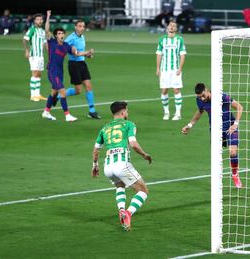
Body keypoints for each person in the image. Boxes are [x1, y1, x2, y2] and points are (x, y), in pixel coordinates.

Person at [91, 101, 152, 231]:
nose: (128, 113)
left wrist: (95, 165)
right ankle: (128, 213)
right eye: (127, 111)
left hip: (108, 167)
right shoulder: (129, 124)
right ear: (123, 112)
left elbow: (96, 150)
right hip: (121, 165)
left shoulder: (104, 128)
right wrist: (144, 155)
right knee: (143, 191)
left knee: (120, 186)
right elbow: (134, 144)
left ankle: (121, 211)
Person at [181, 83, 243, 188]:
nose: (202, 98)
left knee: (232, 152)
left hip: (230, 126)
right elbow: (200, 112)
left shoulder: (222, 96)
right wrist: (190, 125)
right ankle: (219, 180)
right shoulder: (199, 100)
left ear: (207, 90)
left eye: (203, 95)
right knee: (217, 157)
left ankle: (235, 174)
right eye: (199, 97)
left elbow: (239, 107)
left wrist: (235, 124)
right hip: (215, 129)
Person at [42, 10, 94, 122]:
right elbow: (46, 30)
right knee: (62, 91)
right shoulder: (51, 42)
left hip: (60, 72)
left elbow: (77, 53)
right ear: (55, 35)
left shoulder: (66, 46)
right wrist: (48, 16)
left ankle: (46, 112)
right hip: (52, 71)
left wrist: (87, 53)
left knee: (54, 92)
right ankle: (67, 115)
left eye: (62, 33)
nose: (61, 35)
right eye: (59, 33)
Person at [64, 19, 101, 119]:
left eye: (83, 26)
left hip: (82, 64)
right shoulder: (71, 38)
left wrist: (87, 55)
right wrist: (84, 52)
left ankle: (92, 111)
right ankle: (59, 95)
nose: (82, 28)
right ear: (75, 27)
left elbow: (81, 52)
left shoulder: (82, 37)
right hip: (73, 65)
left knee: (88, 86)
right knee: (78, 91)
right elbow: (66, 48)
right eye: (80, 26)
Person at [156, 21, 186, 121]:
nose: (172, 27)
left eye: (174, 26)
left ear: (176, 29)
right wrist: (158, 68)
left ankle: (178, 113)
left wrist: (180, 68)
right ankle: (166, 112)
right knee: (164, 90)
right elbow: (159, 54)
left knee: (176, 90)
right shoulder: (162, 40)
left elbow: (182, 55)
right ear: (167, 27)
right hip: (164, 70)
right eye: (170, 25)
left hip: (175, 70)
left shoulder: (179, 40)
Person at [22, 13, 48, 102]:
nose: (40, 21)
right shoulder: (32, 29)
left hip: (41, 56)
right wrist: (26, 50)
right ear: (34, 21)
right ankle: (33, 95)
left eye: (41, 19)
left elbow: (45, 43)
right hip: (34, 55)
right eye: (38, 19)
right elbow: (25, 39)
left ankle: (38, 94)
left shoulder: (42, 31)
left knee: (39, 75)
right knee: (35, 73)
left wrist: (49, 53)